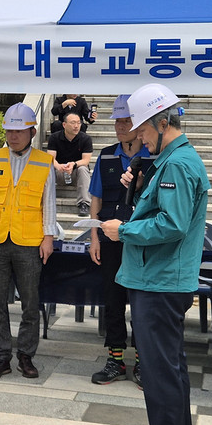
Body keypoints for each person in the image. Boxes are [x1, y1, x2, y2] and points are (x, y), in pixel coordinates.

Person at [100, 83, 209, 425]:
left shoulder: (176, 164)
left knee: (160, 374)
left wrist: (123, 231)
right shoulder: (171, 161)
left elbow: (172, 224)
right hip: (159, 279)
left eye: (143, 130)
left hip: (160, 282)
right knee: (169, 370)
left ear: (163, 124)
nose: (140, 138)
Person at [0, 103, 57, 380]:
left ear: (32, 132)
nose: (13, 136)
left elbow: (49, 203)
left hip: (29, 242)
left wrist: (48, 238)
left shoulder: (44, 162)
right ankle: (1, 356)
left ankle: (26, 356)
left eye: (19, 131)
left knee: (30, 303)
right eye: (9, 131)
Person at [88, 95, 154, 388]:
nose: (120, 127)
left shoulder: (155, 157)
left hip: (142, 238)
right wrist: (94, 237)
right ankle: (115, 359)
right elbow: (96, 199)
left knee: (140, 300)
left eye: (126, 121)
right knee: (112, 299)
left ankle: (142, 361)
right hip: (110, 237)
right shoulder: (106, 156)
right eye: (117, 121)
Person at [47, 112, 93, 216]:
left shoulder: (86, 139)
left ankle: (84, 203)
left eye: (78, 123)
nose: (76, 126)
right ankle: (45, 200)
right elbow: (50, 158)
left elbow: (86, 160)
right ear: (64, 124)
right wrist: (58, 166)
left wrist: (73, 164)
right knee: (47, 167)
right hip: (60, 172)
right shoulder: (54, 138)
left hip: (76, 173)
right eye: (73, 123)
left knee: (83, 168)